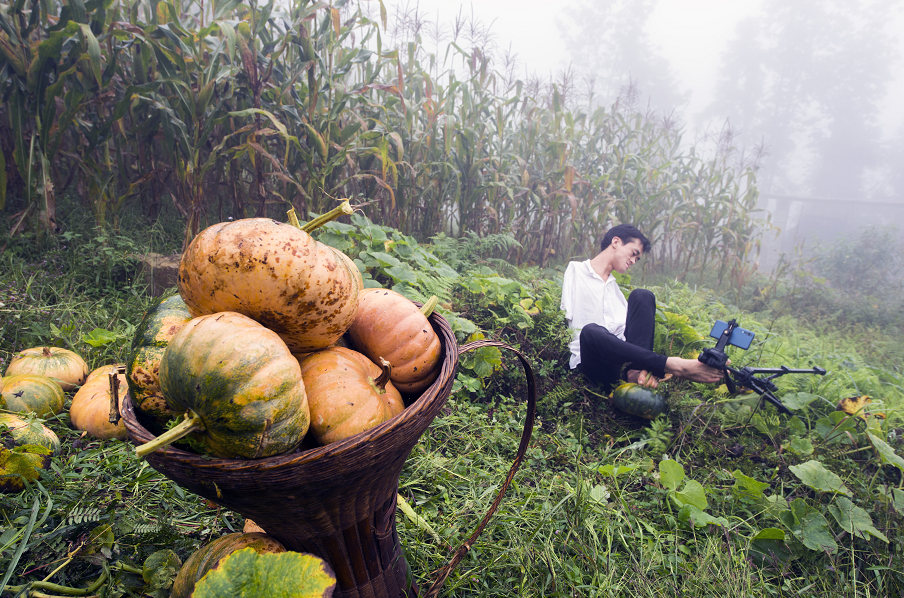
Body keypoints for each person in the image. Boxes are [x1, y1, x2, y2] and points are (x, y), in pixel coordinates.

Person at [560, 224, 723, 392]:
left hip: (620, 364)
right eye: (633, 254)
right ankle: (672, 365)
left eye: (637, 259)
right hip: (592, 361)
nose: (633, 261)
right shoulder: (576, 270)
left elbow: (632, 335)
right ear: (616, 242)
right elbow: (569, 319)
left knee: (642, 295)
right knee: (592, 331)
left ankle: (638, 373)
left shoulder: (615, 292)